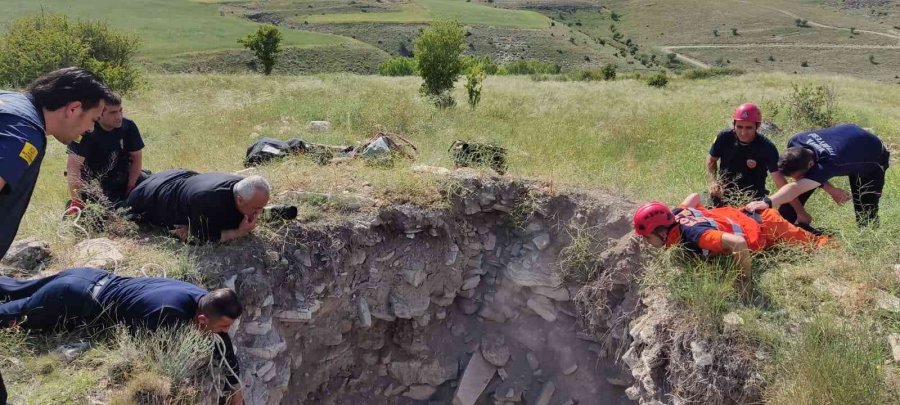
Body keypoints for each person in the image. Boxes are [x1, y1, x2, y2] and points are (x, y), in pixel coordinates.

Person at [0, 267, 244, 405]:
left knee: (14, 288)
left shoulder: (203, 299)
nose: (224, 333)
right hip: (71, 300)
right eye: (223, 327)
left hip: (86, 277)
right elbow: (148, 357)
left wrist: (235, 388)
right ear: (202, 319)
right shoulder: (168, 313)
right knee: (12, 318)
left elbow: (219, 343)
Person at [1, 67, 112, 257]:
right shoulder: (23, 132)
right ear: (73, 109)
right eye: (93, 119)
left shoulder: (10, 100)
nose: (91, 129)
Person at [634, 193, 828, 297]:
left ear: (661, 232)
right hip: (745, 216)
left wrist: (744, 280)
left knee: (818, 245)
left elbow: (738, 242)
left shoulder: (695, 235)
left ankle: (836, 243)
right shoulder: (675, 216)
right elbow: (694, 197)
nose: (645, 242)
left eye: (647, 237)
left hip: (767, 227)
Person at [745, 124, 889, 228]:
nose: (796, 180)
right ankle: (796, 232)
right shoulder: (796, 141)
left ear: (810, 165)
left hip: (871, 155)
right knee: (788, 210)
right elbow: (803, 182)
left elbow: (795, 189)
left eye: (798, 176)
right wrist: (832, 190)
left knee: (866, 215)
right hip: (847, 138)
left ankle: (866, 245)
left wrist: (767, 202)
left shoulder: (829, 162)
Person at [125, 169, 270, 242]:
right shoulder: (209, 203)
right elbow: (200, 237)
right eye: (256, 209)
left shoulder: (242, 185)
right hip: (150, 197)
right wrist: (238, 232)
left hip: (177, 176)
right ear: (239, 200)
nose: (259, 213)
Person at [65, 93, 146, 212]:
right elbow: (73, 168)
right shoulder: (85, 129)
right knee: (105, 212)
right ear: (99, 113)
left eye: (120, 110)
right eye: (113, 113)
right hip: (96, 183)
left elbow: (136, 157)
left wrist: (131, 187)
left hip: (123, 176)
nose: (119, 116)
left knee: (153, 190)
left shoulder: (128, 126)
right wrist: (77, 201)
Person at [707, 103, 789, 206]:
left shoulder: (767, 147)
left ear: (757, 126)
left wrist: (798, 210)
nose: (743, 132)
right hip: (723, 193)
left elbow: (779, 180)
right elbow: (711, 160)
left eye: (749, 128)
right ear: (734, 125)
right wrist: (713, 182)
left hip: (753, 199)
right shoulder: (724, 138)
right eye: (739, 127)